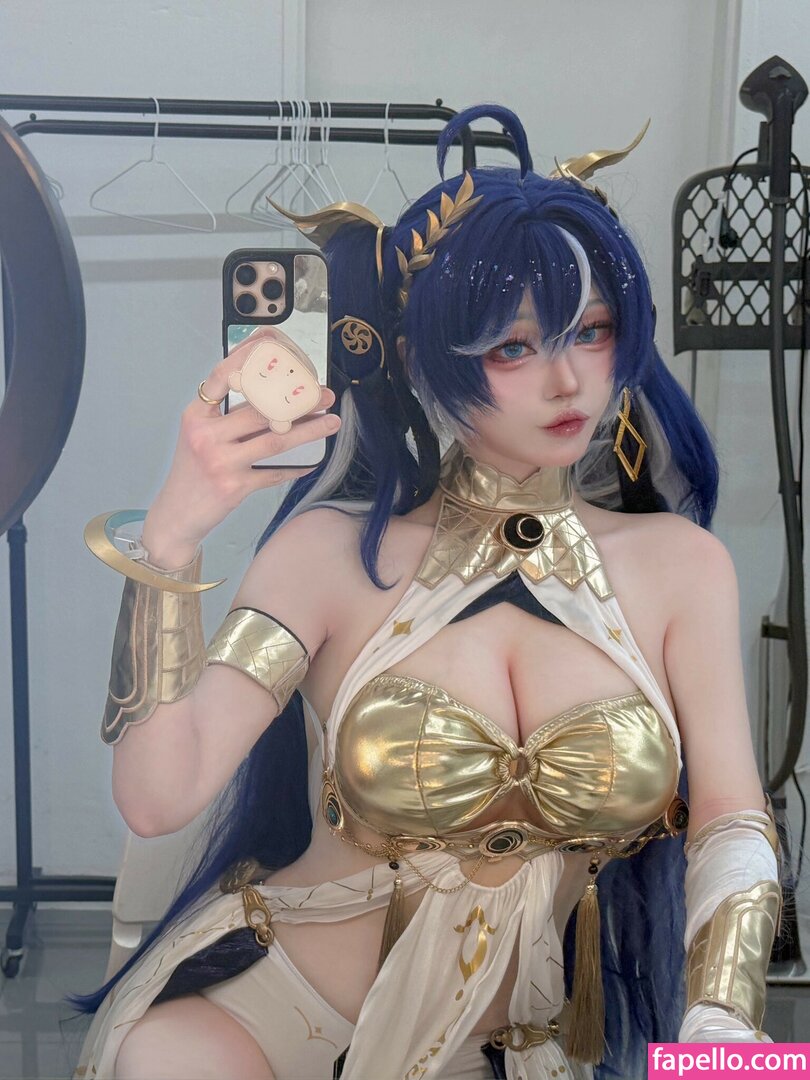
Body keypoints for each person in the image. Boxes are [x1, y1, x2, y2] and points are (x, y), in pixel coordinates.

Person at [72, 105, 780, 1080]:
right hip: (273, 1020)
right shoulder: (330, 556)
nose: (568, 380)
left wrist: (725, 1028)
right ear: (420, 361)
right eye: (512, 347)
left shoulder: (681, 568)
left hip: (520, 1050)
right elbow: (159, 798)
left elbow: (732, 820)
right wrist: (171, 538)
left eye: (592, 331)